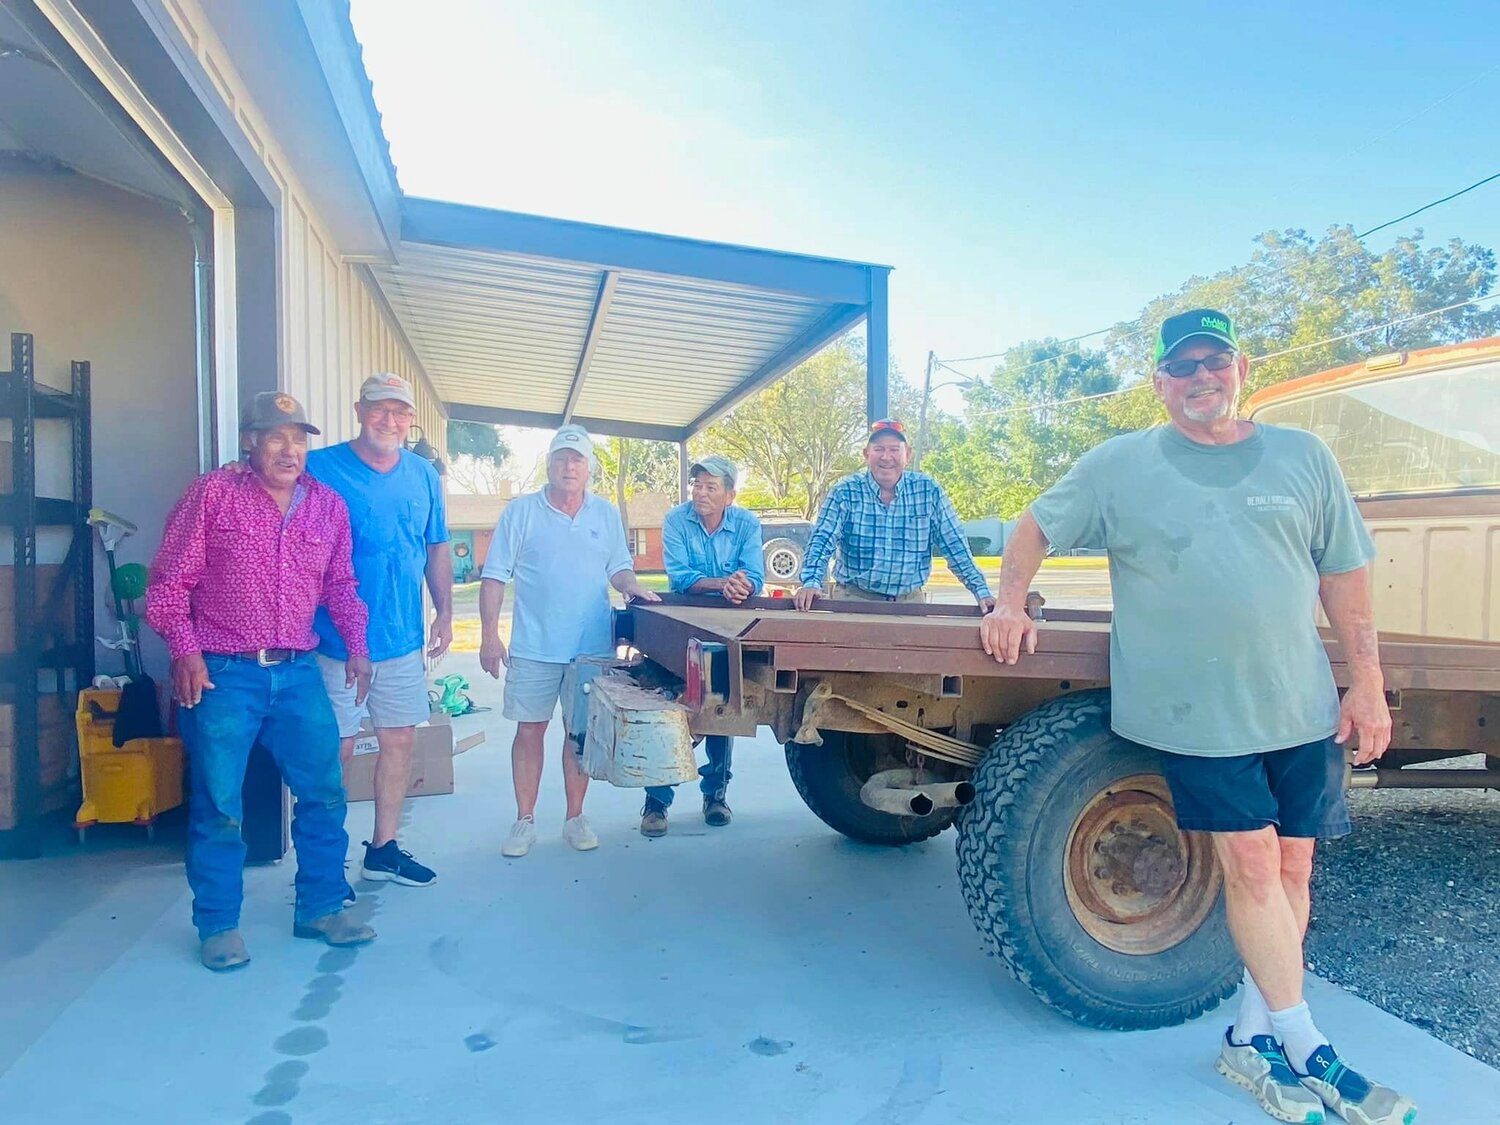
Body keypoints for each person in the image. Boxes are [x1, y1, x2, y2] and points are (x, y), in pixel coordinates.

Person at [980, 309, 1415, 1125]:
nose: (1200, 378)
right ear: (1159, 383)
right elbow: (1033, 525)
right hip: (1196, 711)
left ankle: (1248, 1042)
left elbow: (1345, 577)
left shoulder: (1303, 457)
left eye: (1214, 361)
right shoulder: (1121, 465)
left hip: (1299, 703)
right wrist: (1010, 602)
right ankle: (1307, 1041)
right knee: (1250, 867)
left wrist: (1365, 681)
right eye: (1182, 367)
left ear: (1241, 367)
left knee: (1293, 872)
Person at [146, 392, 375, 972]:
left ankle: (321, 908)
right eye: (276, 437)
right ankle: (219, 925)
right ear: (250, 441)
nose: (289, 449)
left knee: (324, 792)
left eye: (299, 438)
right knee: (220, 805)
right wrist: (186, 652)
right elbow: (168, 587)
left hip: (298, 671)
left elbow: (342, 586)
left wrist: (358, 647)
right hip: (223, 673)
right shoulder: (213, 494)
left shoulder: (327, 506)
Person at [478, 425, 660, 857]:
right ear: (549, 465)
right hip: (534, 647)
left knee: (579, 734)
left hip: (590, 649)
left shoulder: (605, 515)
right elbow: (494, 576)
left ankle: (575, 817)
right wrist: (489, 636)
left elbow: (618, 567)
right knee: (529, 731)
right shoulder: (520, 512)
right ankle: (524, 820)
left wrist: (634, 588)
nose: (568, 466)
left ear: (589, 468)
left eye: (577, 459)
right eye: (561, 458)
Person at [307, 373, 451, 889]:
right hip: (333, 640)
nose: (390, 421)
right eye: (379, 409)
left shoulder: (423, 475)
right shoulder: (319, 467)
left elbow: (436, 547)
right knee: (336, 750)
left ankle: (383, 850)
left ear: (411, 420)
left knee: (399, 740)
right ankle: (324, 867)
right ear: (358, 409)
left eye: (400, 412)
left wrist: (445, 613)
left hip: (400, 639)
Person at [639, 454, 763, 837]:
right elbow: (679, 577)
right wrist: (721, 583)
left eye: (711, 486)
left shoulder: (746, 522)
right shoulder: (677, 520)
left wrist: (743, 585)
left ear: (730, 495)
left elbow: (754, 574)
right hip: (681, 619)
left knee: (723, 707)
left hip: (730, 620)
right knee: (673, 709)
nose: (701, 493)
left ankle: (716, 796)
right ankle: (656, 802)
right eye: (697, 485)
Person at [793, 418, 995, 611]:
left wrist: (981, 591)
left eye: (894, 450)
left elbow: (955, 545)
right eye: (879, 449)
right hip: (853, 599)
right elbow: (822, 540)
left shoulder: (928, 491)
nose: (886, 457)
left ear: (907, 454)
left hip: (910, 602)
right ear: (866, 454)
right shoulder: (844, 492)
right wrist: (811, 582)